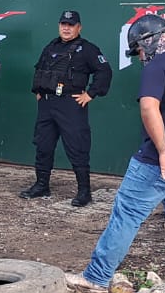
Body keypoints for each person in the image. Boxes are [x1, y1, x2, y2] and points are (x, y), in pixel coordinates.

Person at [69, 14, 165, 293]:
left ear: (150, 40)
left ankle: (96, 277)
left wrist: (164, 149)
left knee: (127, 214)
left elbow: (148, 108)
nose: (141, 57)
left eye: (139, 50)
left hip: (162, 161)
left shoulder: (158, 66)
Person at [24, 10, 112, 206]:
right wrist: (38, 90)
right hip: (47, 104)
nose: (66, 28)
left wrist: (90, 94)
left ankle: (84, 192)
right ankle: (41, 185)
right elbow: (40, 69)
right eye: (63, 24)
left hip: (70, 105)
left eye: (71, 25)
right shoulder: (51, 46)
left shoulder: (87, 49)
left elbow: (104, 71)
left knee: (77, 148)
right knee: (43, 145)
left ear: (79, 27)